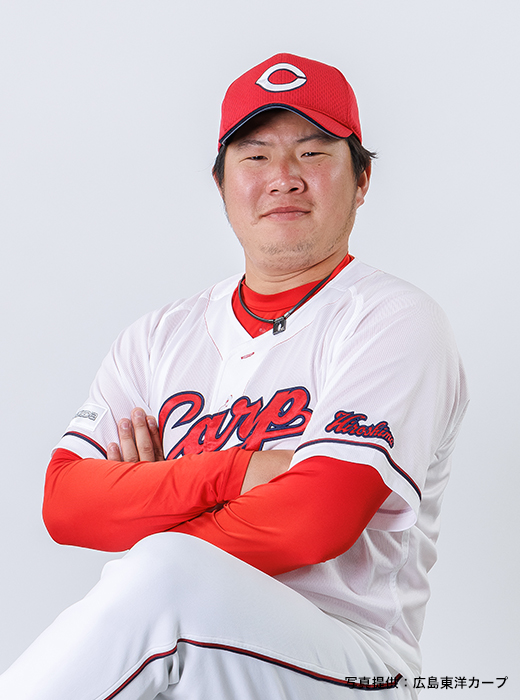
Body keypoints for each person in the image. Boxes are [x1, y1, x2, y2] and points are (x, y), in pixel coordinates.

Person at [0, 53, 468, 699]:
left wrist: (149, 510)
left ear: (362, 179)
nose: (284, 178)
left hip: (349, 659)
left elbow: (316, 517)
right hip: (187, 648)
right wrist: (238, 473)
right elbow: (66, 503)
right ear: (221, 183)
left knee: (162, 573)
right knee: (160, 585)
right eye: (255, 156)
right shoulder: (156, 339)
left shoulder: (391, 319)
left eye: (312, 153)